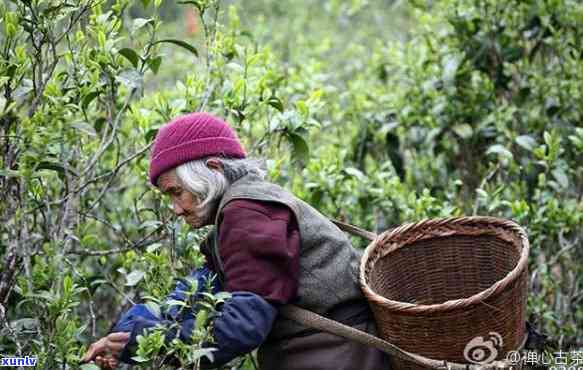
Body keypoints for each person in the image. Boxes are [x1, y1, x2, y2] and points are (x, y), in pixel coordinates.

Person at [82, 112, 390, 369]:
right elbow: (198, 292)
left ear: (213, 169)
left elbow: (241, 329)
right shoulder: (243, 211)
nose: (175, 208)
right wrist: (128, 330)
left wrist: (150, 341)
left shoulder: (247, 212)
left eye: (177, 192)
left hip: (335, 355)